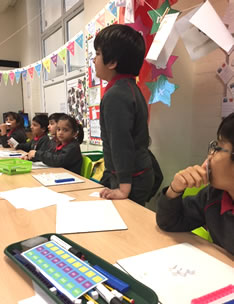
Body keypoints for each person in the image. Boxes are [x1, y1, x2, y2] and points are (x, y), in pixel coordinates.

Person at [93, 24, 154, 206]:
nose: (94, 60)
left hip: (130, 179)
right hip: (134, 174)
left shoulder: (116, 95)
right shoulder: (129, 88)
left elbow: (121, 142)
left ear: (112, 62)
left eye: (97, 54)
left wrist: (123, 187)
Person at [156, 113, 234, 255]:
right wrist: (175, 189)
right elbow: (170, 223)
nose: (209, 157)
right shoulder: (214, 196)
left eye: (218, 148)